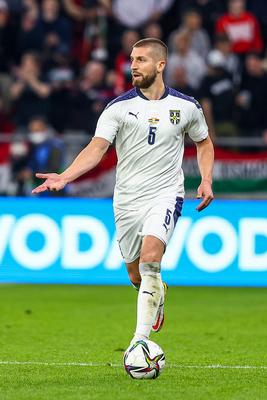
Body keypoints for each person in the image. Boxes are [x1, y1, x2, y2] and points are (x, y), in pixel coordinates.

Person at [32, 38, 214, 347]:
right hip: (128, 199)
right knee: (135, 274)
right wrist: (64, 177)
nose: (133, 65)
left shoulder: (186, 107)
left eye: (141, 59)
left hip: (166, 193)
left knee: (151, 259)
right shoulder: (118, 108)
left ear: (160, 65)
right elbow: (96, 149)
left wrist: (206, 180)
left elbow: (204, 143)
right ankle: (157, 293)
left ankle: (139, 341)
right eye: (132, 59)